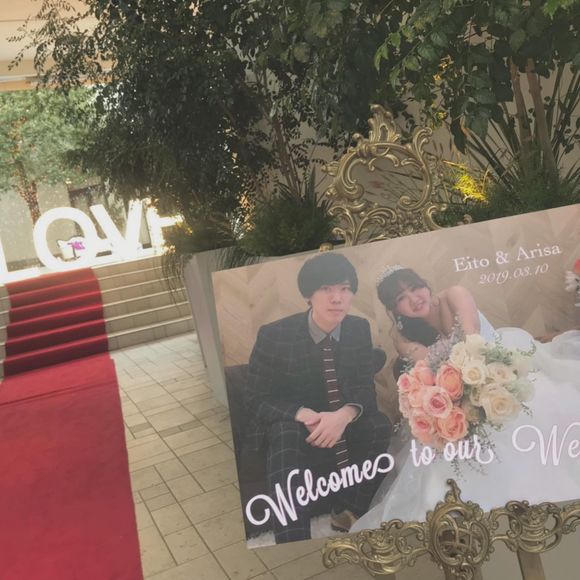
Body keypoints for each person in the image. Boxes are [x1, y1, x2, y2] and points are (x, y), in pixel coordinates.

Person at [351, 265, 580, 531]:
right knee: (447, 451)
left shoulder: (455, 295)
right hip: (459, 394)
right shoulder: (400, 335)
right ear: (394, 309)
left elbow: (474, 344)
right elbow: (428, 371)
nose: (413, 299)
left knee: (540, 411)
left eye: (415, 288)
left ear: (425, 284)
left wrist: (472, 389)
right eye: (401, 298)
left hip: (498, 371)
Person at [245, 252, 392, 543]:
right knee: (285, 434)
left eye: (345, 289)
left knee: (379, 424)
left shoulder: (357, 328)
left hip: (336, 414)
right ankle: (292, 539)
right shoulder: (275, 335)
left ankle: (348, 510)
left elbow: (364, 387)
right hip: (292, 419)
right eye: (326, 289)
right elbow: (256, 398)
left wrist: (344, 415)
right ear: (308, 295)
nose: (337, 298)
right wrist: (301, 414)